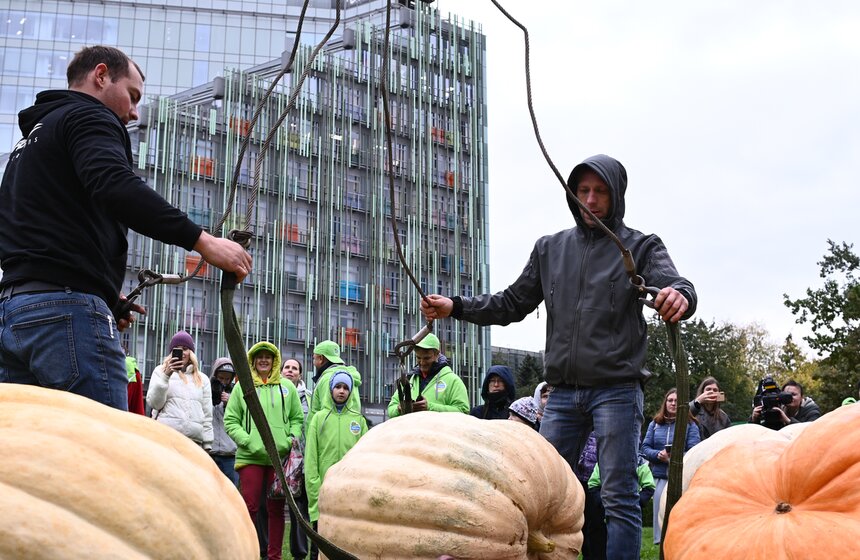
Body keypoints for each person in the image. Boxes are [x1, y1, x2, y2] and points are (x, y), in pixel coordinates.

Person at [419, 154, 696, 560]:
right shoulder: (550, 249)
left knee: (619, 494)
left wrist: (680, 295)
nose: (591, 199)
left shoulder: (639, 246)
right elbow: (512, 303)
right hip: (562, 394)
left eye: (600, 192)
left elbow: (676, 283)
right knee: (539, 490)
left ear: (616, 196)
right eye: (582, 191)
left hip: (617, 390)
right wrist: (456, 306)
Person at [0, 45, 252, 411]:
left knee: (25, 456)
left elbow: (31, 228)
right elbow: (115, 185)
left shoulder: (32, 143)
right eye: (132, 97)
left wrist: (104, 293)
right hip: (67, 311)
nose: (133, 113)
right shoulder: (91, 117)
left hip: (14, 312)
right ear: (101, 76)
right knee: (104, 453)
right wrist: (203, 241)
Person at [224, 341, 304, 560]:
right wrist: (248, 441)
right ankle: (247, 553)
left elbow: (298, 419)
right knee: (249, 508)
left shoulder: (287, 388)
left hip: (278, 458)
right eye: (259, 357)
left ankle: (274, 557)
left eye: (267, 357)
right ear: (252, 360)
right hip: (250, 457)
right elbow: (231, 421)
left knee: (275, 510)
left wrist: (289, 440)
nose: (263, 360)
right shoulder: (242, 387)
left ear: (274, 360)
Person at [305, 371, 369, 560]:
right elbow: (311, 459)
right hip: (323, 491)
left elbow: (365, 458)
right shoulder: (319, 418)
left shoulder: (358, 420)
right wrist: (315, 490)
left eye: (346, 388)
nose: (341, 391)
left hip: (349, 491)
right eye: (338, 387)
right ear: (331, 389)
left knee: (346, 543)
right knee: (320, 544)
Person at [641, 388, 700, 544]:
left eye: (676, 401)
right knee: (660, 513)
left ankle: (681, 543)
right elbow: (645, 448)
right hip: (660, 476)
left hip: (681, 478)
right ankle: (661, 543)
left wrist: (674, 458)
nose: (673, 403)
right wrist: (657, 455)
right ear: (665, 403)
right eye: (670, 400)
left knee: (680, 514)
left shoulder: (690, 424)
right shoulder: (655, 423)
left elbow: (695, 450)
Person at [145, 331, 213, 450]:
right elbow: (155, 404)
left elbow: (207, 414)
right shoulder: (160, 371)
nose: (182, 352)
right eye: (177, 348)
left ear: (191, 352)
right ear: (172, 352)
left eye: (185, 348)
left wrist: (207, 444)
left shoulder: (203, 379)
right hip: (166, 439)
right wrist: (166, 375)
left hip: (194, 443)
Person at [586, 454, 656, 560]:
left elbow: (649, 487)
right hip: (605, 511)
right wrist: (602, 503)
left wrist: (636, 504)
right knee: (600, 542)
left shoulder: (639, 463)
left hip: (630, 513)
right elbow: (593, 484)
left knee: (628, 542)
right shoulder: (602, 462)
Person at [386, 333, 469, 417]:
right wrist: (399, 409)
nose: (422, 362)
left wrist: (429, 407)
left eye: (426, 358)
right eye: (418, 358)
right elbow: (391, 409)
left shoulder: (453, 381)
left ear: (437, 354)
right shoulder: (409, 379)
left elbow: (463, 411)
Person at [279, 356, 311, 560]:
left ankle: (300, 552)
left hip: (304, 458)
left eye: (294, 368)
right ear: (281, 371)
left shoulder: (309, 396)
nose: (290, 370)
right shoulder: (274, 392)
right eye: (287, 367)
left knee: (301, 506)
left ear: (300, 373)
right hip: (281, 455)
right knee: (275, 505)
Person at [308, 340, 361, 423]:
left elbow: (325, 413)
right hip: (351, 431)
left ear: (321, 358)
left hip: (328, 433)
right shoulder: (349, 377)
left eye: (314, 358)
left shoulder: (328, 378)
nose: (314, 362)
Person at [208, 357, 239, 486]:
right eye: (221, 378)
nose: (224, 382)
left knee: (231, 491)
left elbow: (242, 419)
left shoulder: (236, 393)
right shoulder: (205, 389)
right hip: (210, 451)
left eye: (227, 379)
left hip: (230, 453)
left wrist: (230, 402)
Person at [750, 379, 822, 427]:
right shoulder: (778, 406)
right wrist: (754, 419)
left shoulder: (811, 410)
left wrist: (788, 420)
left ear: (802, 397)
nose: (790, 397)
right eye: (786, 395)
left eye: (794, 394)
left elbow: (811, 433)